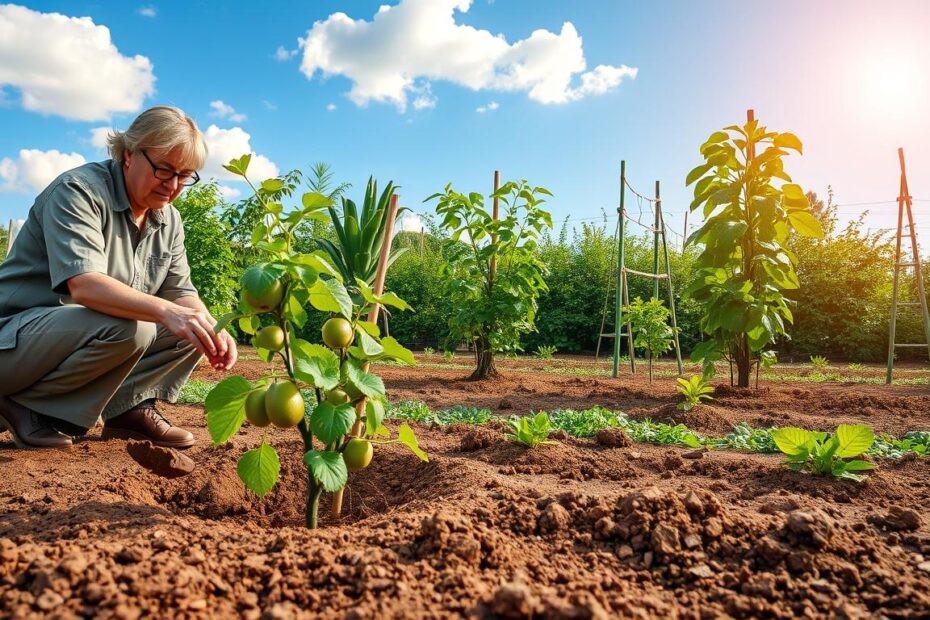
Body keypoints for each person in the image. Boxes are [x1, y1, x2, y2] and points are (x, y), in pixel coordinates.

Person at [0, 105, 237, 450]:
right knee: (133, 326)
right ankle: (22, 405)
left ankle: (129, 409)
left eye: (184, 176)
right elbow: (84, 285)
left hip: (63, 343)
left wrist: (210, 326)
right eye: (164, 170)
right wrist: (167, 312)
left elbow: (180, 290)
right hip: (13, 342)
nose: (172, 186)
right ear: (129, 155)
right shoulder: (77, 191)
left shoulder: (168, 221)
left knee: (194, 328)